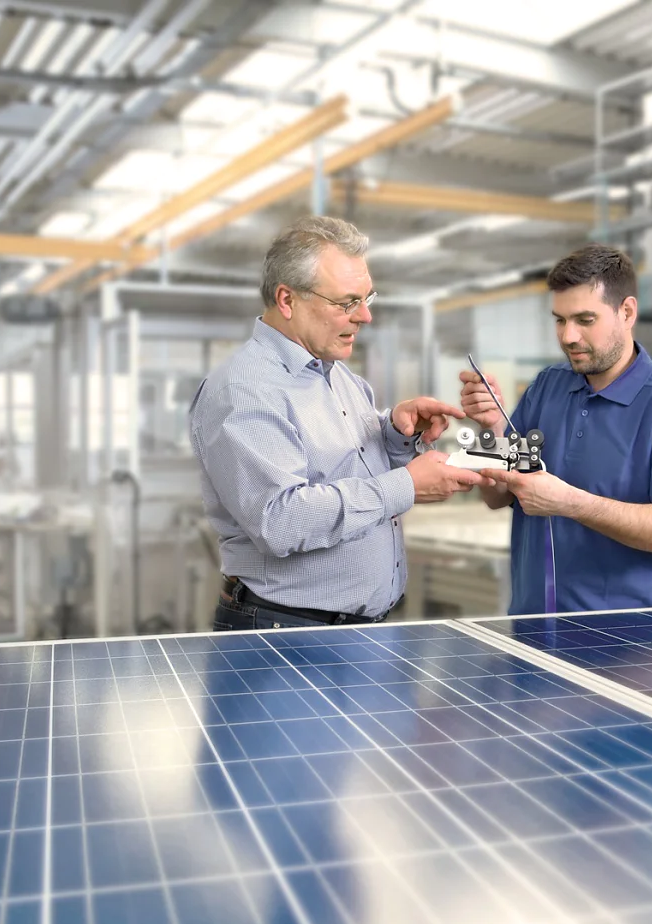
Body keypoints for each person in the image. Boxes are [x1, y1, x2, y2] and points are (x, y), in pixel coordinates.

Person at [190, 215, 482, 631]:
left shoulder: (337, 374)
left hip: (359, 630)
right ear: (287, 300)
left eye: (367, 298)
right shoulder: (244, 389)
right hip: (287, 634)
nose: (365, 316)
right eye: (347, 303)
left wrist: (395, 435)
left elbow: (344, 466)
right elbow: (280, 520)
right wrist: (405, 486)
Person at [460, 244, 652, 615]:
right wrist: (492, 428)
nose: (568, 336)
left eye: (585, 320)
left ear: (627, 312)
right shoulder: (547, 387)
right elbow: (497, 497)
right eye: (560, 320)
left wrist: (570, 503)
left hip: (632, 637)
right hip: (534, 626)